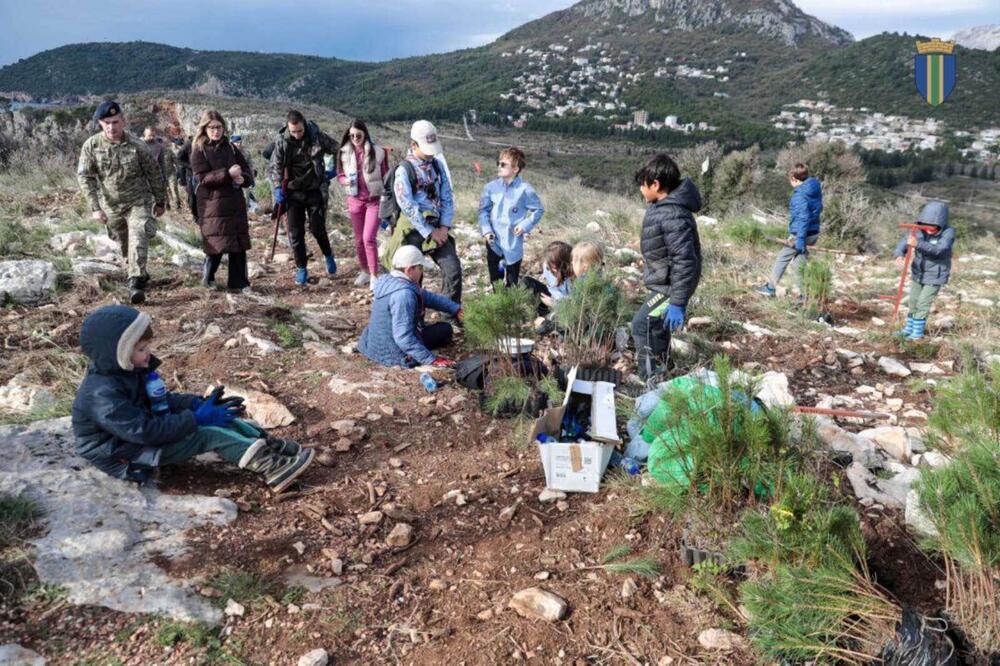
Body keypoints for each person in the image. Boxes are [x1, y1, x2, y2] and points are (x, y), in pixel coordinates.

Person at [71, 304, 314, 493]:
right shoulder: (100, 395)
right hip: (123, 453)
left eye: (147, 347)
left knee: (221, 420)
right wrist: (195, 419)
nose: (149, 353)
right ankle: (273, 469)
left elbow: (161, 402)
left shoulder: (127, 373)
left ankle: (268, 446)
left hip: (139, 436)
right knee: (206, 434)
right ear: (119, 353)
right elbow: (144, 431)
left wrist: (198, 403)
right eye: (141, 349)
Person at [77, 100, 167, 304]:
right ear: (100, 123)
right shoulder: (92, 146)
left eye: (115, 121)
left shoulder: (138, 145)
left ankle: (135, 283)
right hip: (111, 206)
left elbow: (154, 174)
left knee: (139, 234)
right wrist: (95, 208)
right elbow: (85, 177)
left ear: (123, 121)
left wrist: (160, 201)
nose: (112, 127)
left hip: (138, 202)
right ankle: (138, 271)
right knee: (124, 242)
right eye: (107, 122)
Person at [631, 154, 703, 380]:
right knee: (656, 328)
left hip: (669, 288)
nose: (641, 190)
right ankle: (664, 376)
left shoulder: (673, 214)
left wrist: (678, 302)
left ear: (656, 184)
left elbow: (685, 259)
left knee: (643, 326)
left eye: (643, 185)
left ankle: (652, 381)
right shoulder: (662, 206)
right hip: (664, 283)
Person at [388, 120, 462, 306]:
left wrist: (444, 227)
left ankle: (449, 314)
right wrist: (430, 232)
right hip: (414, 230)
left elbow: (446, 196)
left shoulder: (437, 165)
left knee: (452, 269)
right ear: (413, 144)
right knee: (412, 276)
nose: (430, 155)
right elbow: (408, 206)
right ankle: (413, 316)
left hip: (438, 226)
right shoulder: (404, 171)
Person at [267, 110, 339, 285]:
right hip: (292, 192)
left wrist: (334, 169)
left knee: (317, 228)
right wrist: (277, 188)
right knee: (296, 233)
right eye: (294, 132)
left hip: (314, 189)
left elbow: (338, 149)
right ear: (288, 128)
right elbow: (275, 166)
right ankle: (301, 268)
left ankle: (328, 255)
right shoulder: (282, 141)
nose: (297, 135)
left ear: (304, 125)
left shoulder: (316, 136)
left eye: (300, 131)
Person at [358, 246, 461, 368]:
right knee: (445, 330)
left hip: (372, 345)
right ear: (409, 269)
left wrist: (456, 309)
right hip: (394, 353)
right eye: (420, 268)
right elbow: (402, 337)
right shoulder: (404, 294)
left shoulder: (389, 281)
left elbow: (429, 297)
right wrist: (431, 359)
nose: (422, 271)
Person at [190, 110, 254, 292]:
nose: (215, 131)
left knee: (237, 243)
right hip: (213, 204)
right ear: (204, 128)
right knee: (216, 244)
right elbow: (202, 178)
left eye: (219, 127)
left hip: (234, 202)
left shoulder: (231, 148)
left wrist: (244, 179)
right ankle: (208, 279)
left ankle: (239, 283)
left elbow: (246, 170)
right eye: (211, 127)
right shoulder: (199, 149)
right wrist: (227, 174)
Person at [477, 147, 544, 289]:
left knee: (512, 284)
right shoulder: (490, 187)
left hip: (512, 244)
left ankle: (511, 308)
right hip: (493, 242)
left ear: (515, 169)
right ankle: (498, 306)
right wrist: (487, 231)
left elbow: (538, 209)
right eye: (498, 163)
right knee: (496, 281)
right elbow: (483, 211)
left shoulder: (525, 190)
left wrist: (525, 225)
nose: (499, 166)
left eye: (503, 164)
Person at [757, 163, 823, 298]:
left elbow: (803, 219)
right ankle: (803, 295)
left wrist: (799, 240)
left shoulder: (799, 196)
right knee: (800, 262)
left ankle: (770, 288)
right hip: (814, 232)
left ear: (794, 178)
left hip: (801, 234)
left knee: (782, 258)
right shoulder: (814, 188)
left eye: (790, 179)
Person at [337, 120, 388, 290]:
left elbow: (387, 176)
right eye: (351, 136)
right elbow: (340, 174)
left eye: (358, 135)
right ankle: (365, 271)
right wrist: (345, 180)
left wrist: (388, 202)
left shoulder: (378, 152)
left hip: (373, 200)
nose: (355, 138)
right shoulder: (344, 153)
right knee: (359, 240)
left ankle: (374, 275)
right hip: (355, 200)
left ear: (365, 134)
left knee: (368, 238)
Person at [892, 201, 954, 341]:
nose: (929, 229)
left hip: (935, 275)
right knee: (913, 301)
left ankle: (917, 333)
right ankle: (909, 329)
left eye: (933, 227)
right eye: (926, 226)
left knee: (923, 303)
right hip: (918, 272)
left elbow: (940, 250)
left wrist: (918, 244)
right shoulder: (919, 229)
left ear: (941, 224)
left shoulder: (948, 232)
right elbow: (905, 241)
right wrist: (898, 254)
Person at [523, 240, 574, 313]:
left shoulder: (575, 273)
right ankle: (544, 314)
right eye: (550, 262)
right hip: (552, 296)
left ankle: (549, 318)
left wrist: (554, 304)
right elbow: (552, 288)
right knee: (526, 282)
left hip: (566, 307)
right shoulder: (547, 266)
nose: (552, 266)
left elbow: (574, 303)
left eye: (556, 262)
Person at [140, 126, 170, 199]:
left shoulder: (159, 146)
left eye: (153, 135)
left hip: (155, 174)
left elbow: (162, 162)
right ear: (145, 135)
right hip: (141, 175)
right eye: (149, 135)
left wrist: (164, 177)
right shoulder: (139, 145)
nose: (151, 137)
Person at [176, 136, 198, 224]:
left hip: (205, 175)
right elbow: (179, 159)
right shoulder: (189, 144)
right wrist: (190, 166)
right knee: (192, 198)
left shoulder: (207, 141)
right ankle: (195, 216)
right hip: (191, 175)